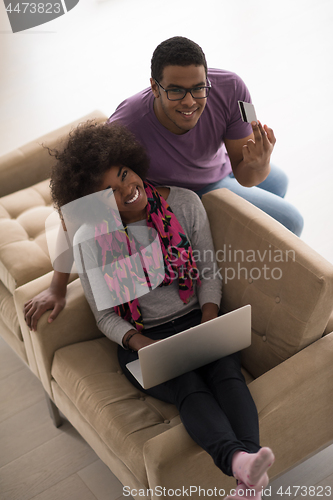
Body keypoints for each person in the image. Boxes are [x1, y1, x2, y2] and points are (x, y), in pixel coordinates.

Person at [46, 120, 275, 498]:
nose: (128, 189)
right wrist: (141, 343)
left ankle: (247, 474)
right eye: (110, 191)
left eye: (125, 174)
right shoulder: (89, 240)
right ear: (93, 205)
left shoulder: (184, 204)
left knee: (226, 373)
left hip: (199, 318)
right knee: (188, 387)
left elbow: (208, 274)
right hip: (143, 340)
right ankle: (243, 466)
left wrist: (209, 320)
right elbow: (105, 317)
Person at [23, 35, 303, 329]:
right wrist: (57, 286)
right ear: (154, 87)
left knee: (277, 180)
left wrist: (261, 164)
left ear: (208, 79)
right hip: (201, 188)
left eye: (198, 88)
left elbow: (247, 173)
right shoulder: (126, 125)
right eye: (176, 91)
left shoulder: (235, 88)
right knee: (291, 220)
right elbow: (78, 206)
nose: (189, 102)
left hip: (223, 163)